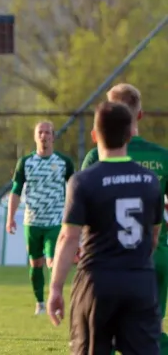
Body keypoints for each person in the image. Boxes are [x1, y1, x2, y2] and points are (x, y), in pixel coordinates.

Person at [48, 101, 163, 354]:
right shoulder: (150, 181)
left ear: (94, 135)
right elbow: (153, 238)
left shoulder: (83, 181)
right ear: (130, 133)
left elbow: (68, 237)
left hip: (97, 283)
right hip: (140, 282)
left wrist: (55, 288)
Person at [81, 83, 168, 355]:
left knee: (101, 338)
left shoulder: (96, 156)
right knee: (147, 336)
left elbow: (83, 214)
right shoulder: (162, 157)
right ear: (139, 116)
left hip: (107, 261)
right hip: (154, 258)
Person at [6, 121, 75, 315]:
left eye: (47, 132)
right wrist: (10, 218)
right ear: (35, 137)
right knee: (35, 263)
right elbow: (16, 191)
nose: (44, 136)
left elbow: (74, 189)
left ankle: (56, 300)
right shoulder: (25, 162)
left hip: (55, 221)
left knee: (53, 261)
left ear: (53, 137)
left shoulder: (64, 162)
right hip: (32, 222)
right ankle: (40, 303)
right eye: (40, 132)